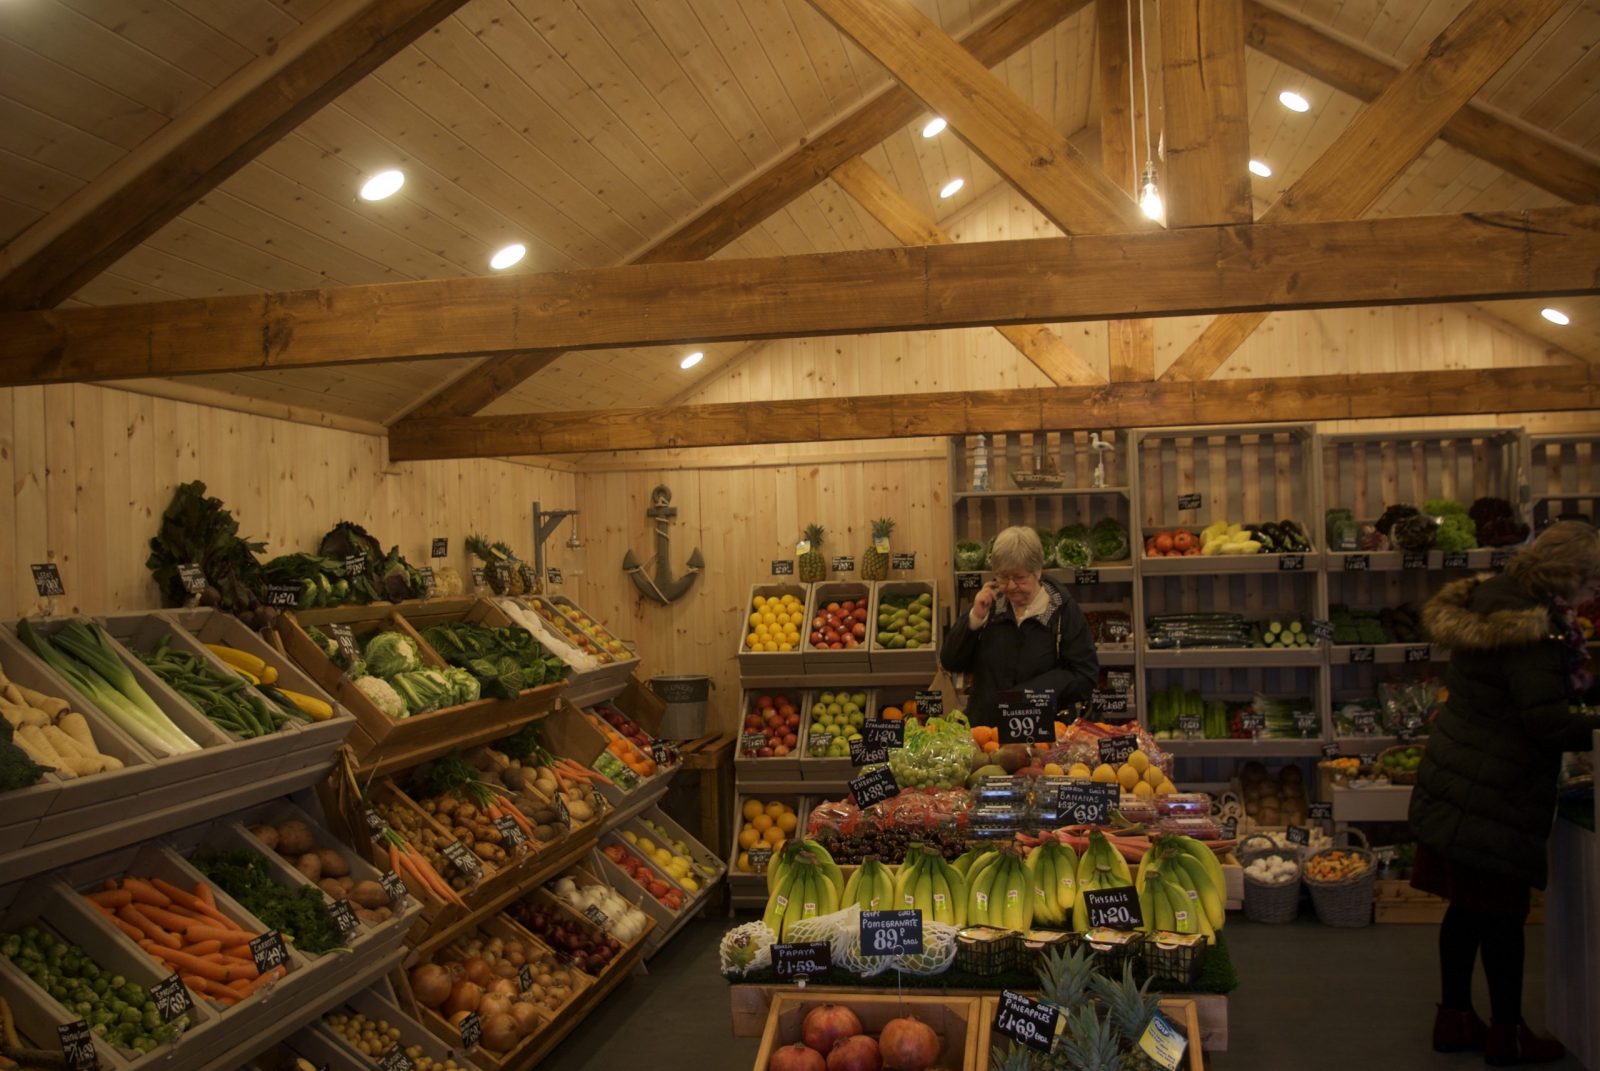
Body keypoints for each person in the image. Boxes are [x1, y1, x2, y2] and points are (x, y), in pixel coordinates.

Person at [1411, 521, 1600, 1065]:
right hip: (1494, 789)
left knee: (1466, 911)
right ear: (1567, 575)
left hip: (1458, 773)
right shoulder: (1530, 628)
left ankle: (1454, 1019)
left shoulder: (1492, 598)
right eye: (1590, 584)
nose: (1592, 597)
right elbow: (1546, 721)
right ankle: (1508, 1033)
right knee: (1500, 917)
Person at [938, 526, 1098, 727]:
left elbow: (1085, 675)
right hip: (986, 731)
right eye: (1003, 577)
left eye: (1019, 577)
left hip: (1043, 732)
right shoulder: (990, 605)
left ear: (1037, 571)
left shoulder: (1062, 610)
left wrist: (1025, 695)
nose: (1011, 586)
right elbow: (950, 661)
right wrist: (974, 618)